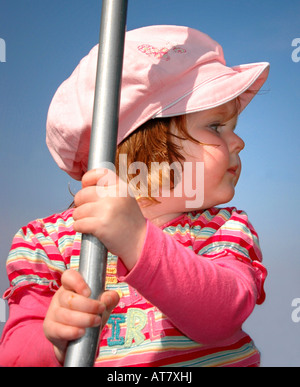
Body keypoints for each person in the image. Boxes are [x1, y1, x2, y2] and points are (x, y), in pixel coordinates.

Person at [0, 25, 269, 367]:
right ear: (144, 142)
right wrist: (52, 339)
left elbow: (223, 314)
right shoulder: (46, 242)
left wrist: (137, 239)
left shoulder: (224, 229)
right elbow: (13, 357)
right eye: (216, 126)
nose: (238, 142)